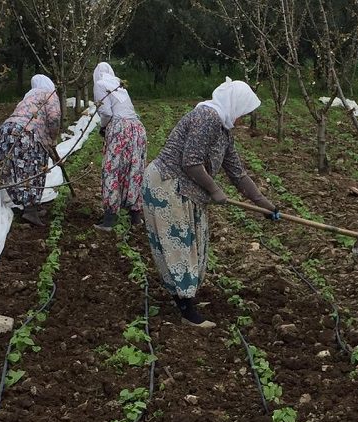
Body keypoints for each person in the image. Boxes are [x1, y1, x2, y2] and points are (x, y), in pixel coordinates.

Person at [142, 77, 280, 327]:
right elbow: (190, 161)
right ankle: (186, 310)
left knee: (195, 244)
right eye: (243, 111)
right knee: (179, 244)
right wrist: (215, 190)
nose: (243, 118)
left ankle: (186, 296)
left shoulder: (224, 131)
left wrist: (265, 205)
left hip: (187, 189)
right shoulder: (208, 117)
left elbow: (237, 173)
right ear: (234, 104)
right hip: (167, 184)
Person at [0, 74, 61, 226]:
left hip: (5, 132)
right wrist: (53, 138)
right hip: (26, 133)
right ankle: (30, 210)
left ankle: (28, 206)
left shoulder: (29, 96)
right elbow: (54, 118)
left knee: (13, 169)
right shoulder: (50, 95)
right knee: (33, 168)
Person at [92, 62, 148, 231]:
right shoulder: (119, 86)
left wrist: (104, 127)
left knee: (112, 169)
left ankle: (110, 219)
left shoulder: (100, 85)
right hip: (137, 128)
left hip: (119, 128)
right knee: (134, 169)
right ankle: (135, 217)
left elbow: (107, 112)